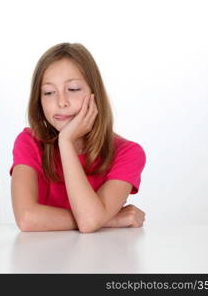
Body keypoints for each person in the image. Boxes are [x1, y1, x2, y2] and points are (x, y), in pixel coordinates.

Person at [9, 42, 146, 233]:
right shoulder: (29, 142)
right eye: (49, 92)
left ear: (94, 93)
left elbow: (89, 221)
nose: (61, 102)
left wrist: (65, 142)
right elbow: (27, 219)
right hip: (41, 259)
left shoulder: (128, 153)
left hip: (100, 258)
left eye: (73, 89)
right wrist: (110, 220)